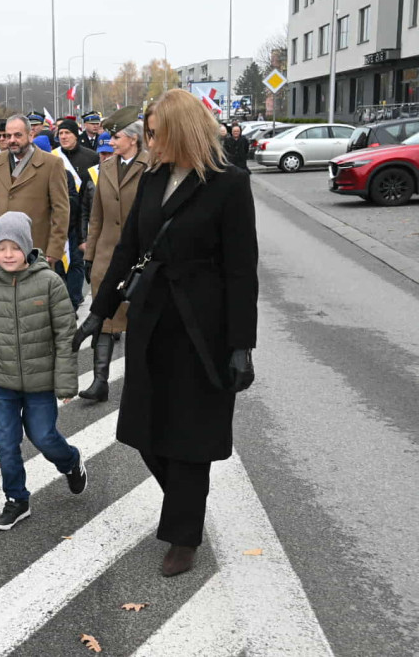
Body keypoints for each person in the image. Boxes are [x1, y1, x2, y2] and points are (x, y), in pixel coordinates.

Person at [73, 89, 258, 577]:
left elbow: (243, 270)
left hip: (205, 329)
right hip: (152, 320)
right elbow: (130, 245)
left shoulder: (229, 184)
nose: (147, 141)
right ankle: (184, 507)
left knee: (192, 435)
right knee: (145, 428)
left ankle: (183, 534)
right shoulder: (152, 179)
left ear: (179, 130)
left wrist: (242, 345)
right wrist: (99, 311)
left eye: (154, 133)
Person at [0, 211, 88, 530]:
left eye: (14, 247)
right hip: (2, 383)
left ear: (26, 247)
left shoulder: (49, 283)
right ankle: (16, 499)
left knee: (44, 436)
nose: (8, 254)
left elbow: (65, 333)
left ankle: (71, 461)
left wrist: (66, 382)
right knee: (6, 444)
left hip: (40, 383)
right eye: (1, 248)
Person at [81, 106, 151, 402]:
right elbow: (96, 217)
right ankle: (100, 381)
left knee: (139, 321)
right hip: (107, 258)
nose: (110, 141)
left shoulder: (152, 166)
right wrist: (89, 255)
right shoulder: (106, 169)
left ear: (133, 139)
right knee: (104, 320)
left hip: (140, 260)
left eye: (116, 136)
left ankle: (140, 382)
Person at [0, 114, 69, 271]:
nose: (12, 140)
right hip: (2, 250)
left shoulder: (51, 164)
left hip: (35, 250)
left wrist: (55, 249)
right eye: (8, 136)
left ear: (31, 135)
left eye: (18, 135)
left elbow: (61, 210)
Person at [54, 118, 99, 309]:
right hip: (60, 217)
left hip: (82, 217)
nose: (63, 137)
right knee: (58, 261)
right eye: (61, 133)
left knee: (76, 260)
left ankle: (75, 297)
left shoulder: (91, 157)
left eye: (67, 133)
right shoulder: (53, 157)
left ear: (75, 135)